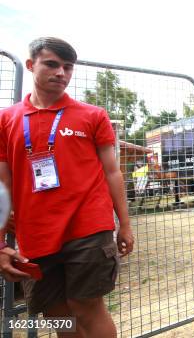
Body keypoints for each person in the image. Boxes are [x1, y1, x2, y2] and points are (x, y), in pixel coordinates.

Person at [0, 37, 134, 337]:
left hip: (87, 225)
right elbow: (3, 182)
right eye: (52, 64)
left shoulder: (92, 115)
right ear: (31, 65)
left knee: (86, 305)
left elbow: (113, 172)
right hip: (34, 233)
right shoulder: (6, 120)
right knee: (57, 313)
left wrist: (124, 224)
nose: (61, 72)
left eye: (68, 67)